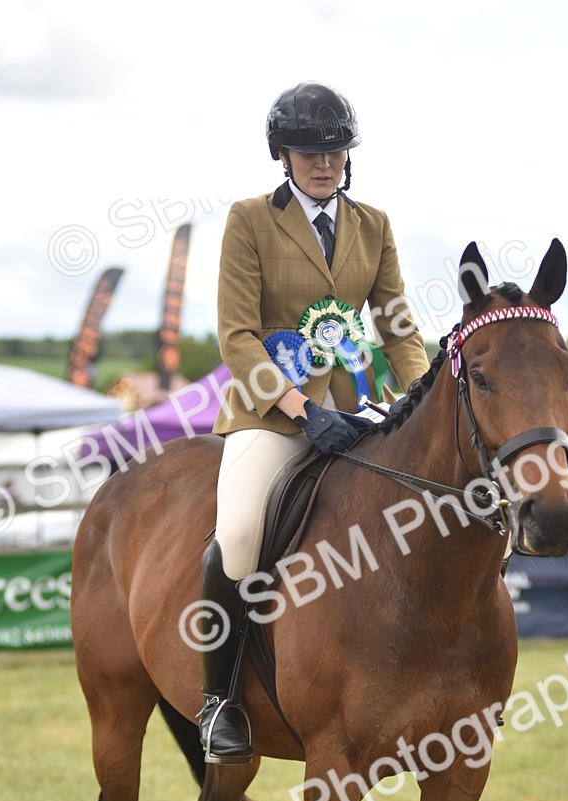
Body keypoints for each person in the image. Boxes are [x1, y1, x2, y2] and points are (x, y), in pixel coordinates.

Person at [199, 81, 430, 765]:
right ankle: (219, 702)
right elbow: (237, 337)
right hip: (271, 416)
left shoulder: (373, 225)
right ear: (284, 155)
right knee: (239, 535)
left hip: (356, 409)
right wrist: (301, 409)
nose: (325, 164)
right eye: (309, 153)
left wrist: (419, 399)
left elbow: (396, 326)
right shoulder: (249, 220)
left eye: (335, 151)